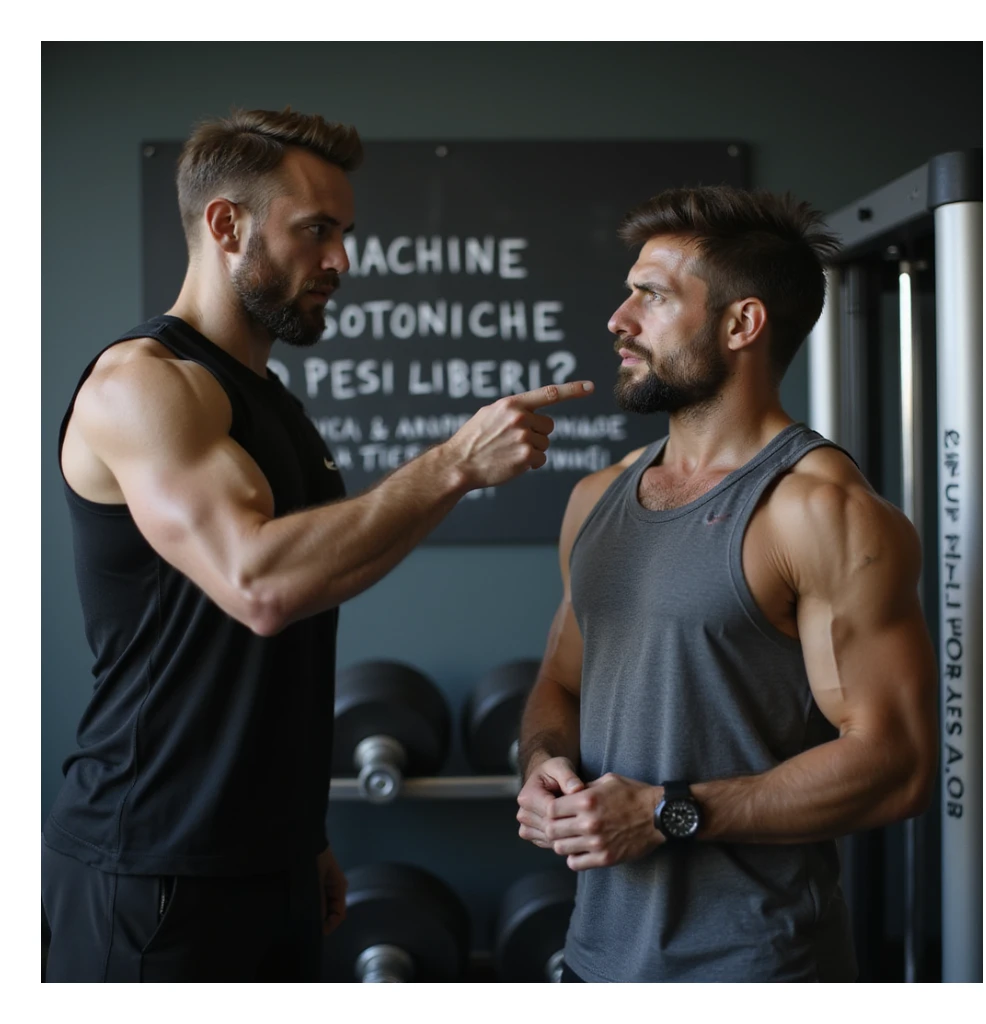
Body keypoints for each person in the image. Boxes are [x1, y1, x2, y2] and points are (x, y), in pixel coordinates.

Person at [42, 106, 593, 982]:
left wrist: (301, 835)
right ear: (227, 225)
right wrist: (455, 462)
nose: (340, 261)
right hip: (152, 860)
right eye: (315, 231)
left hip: (269, 856)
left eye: (345, 234)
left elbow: (315, 586)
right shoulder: (143, 386)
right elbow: (258, 585)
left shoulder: (274, 404)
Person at [515, 185, 938, 982]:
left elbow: (898, 763)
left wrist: (669, 812)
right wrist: (542, 764)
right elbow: (560, 683)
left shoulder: (819, 511)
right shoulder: (596, 498)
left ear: (742, 324)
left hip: (757, 970)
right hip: (595, 959)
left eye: (652, 296)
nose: (618, 319)